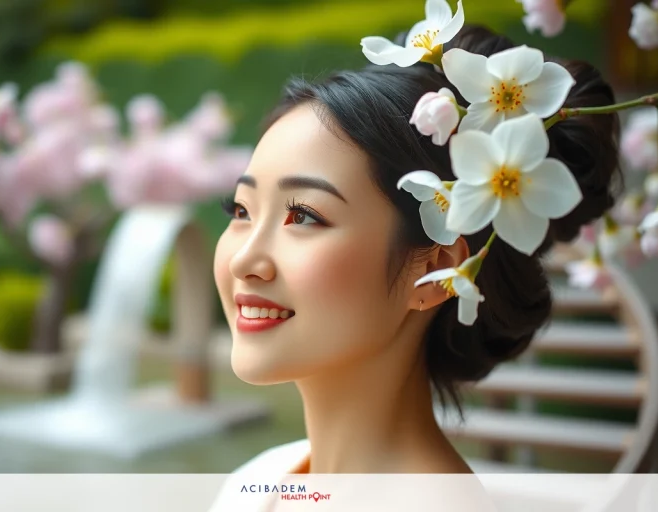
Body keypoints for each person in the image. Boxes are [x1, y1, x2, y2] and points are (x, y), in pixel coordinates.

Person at [210, 22, 619, 500]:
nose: (244, 259)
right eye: (240, 211)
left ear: (434, 271)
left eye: (303, 215)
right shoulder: (257, 481)